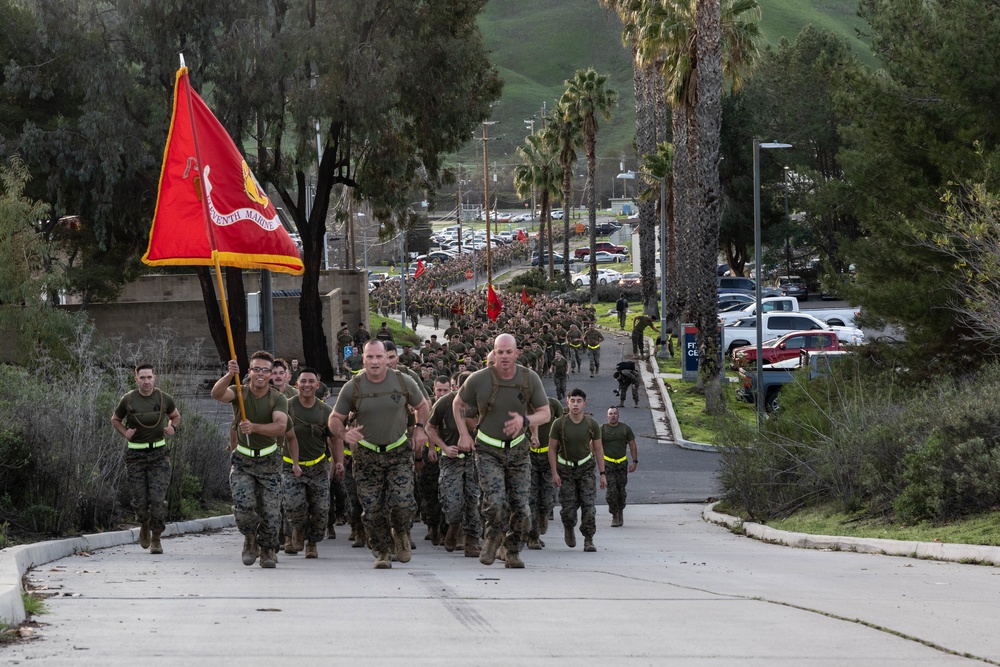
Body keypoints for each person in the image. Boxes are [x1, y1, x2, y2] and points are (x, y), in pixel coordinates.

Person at [453, 333, 551, 569]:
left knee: (521, 508)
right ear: (493, 353)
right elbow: (458, 404)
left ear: (517, 353)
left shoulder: (529, 378)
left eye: (509, 352)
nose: (504, 356)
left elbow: (545, 413)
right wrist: (464, 434)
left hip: (518, 451)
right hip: (488, 450)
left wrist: (525, 420)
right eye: (500, 352)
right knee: (495, 503)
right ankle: (492, 537)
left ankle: (513, 550)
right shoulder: (479, 379)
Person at [328, 340, 429, 569]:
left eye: (379, 357)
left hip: (399, 453)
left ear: (387, 358)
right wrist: (344, 433)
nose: (374, 362)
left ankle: (401, 531)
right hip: (367, 456)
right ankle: (382, 550)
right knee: (372, 510)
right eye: (369, 357)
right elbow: (334, 418)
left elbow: (423, 405)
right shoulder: (353, 386)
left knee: (402, 502)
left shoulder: (403, 381)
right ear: (362, 359)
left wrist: (421, 429)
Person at [212, 351, 292, 569]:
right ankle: (249, 540)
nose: (260, 374)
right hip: (243, 462)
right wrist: (229, 374)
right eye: (256, 369)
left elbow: (280, 427)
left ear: (270, 375)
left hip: (269, 461)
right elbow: (217, 394)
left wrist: (254, 427)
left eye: (265, 370)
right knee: (244, 507)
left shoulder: (278, 399)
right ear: (249, 371)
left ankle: (267, 550)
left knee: (271, 511)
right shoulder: (240, 392)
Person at [111, 363, 181, 555]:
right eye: (142, 378)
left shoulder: (163, 398)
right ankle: (144, 523)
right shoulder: (128, 399)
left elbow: (175, 416)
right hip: (135, 457)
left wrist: (172, 427)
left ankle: (156, 538)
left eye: (149, 377)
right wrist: (125, 432)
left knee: (157, 500)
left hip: (159, 455)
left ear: (154, 378)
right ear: (136, 380)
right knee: (141, 502)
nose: (146, 381)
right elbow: (115, 419)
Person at [283, 367, 344, 559]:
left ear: (317, 385)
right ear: (297, 384)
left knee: (320, 510)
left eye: (311, 382)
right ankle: (297, 531)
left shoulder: (325, 411)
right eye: (303, 381)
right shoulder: (286, 407)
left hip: (318, 467)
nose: (307, 385)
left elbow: (335, 440)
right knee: (294, 505)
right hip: (290, 466)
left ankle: (312, 543)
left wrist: (339, 462)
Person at [426, 374, 482, 557]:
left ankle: (471, 541)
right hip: (451, 460)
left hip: (474, 460)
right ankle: (454, 526)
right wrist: (443, 447)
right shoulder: (444, 403)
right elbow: (429, 428)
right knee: (452, 501)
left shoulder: (481, 402)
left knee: (474, 501)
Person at [548, 388, 605, 552]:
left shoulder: (591, 424)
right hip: (565, 469)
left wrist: (602, 474)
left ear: (584, 404)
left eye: (579, 401)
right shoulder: (559, 423)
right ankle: (569, 527)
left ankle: (588, 539)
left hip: (586, 468)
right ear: (567, 402)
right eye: (572, 401)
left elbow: (599, 449)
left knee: (589, 505)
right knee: (568, 508)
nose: (575, 404)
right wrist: (554, 472)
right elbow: (551, 449)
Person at [527, 396, 562, 550]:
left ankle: (544, 515)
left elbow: (562, 424)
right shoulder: (525, 404)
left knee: (548, 498)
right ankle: (533, 536)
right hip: (529, 457)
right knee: (531, 499)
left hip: (549, 456)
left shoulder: (553, 404)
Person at [601, 407, 638, 527]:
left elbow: (632, 445)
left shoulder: (625, 428)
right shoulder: (602, 429)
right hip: (608, 464)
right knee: (611, 491)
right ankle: (614, 515)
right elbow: (594, 446)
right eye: (610, 414)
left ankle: (620, 511)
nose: (613, 416)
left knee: (621, 490)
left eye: (615, 414)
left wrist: (634, 461)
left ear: (618, 415)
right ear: (607, 416)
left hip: (622, 464)